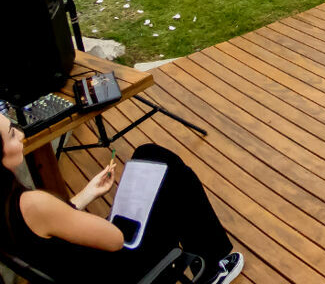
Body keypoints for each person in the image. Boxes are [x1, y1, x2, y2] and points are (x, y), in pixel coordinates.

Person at [0, 112, 244, 284]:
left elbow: (48, 225)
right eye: (11, 134)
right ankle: (214, 267)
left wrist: (87, 194)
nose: (20, 134)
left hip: (78, 268)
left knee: (147, 155)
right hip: (115, 270)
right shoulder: (33, 204)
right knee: (170, 173)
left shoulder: (10, 203)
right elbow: (115, 239)